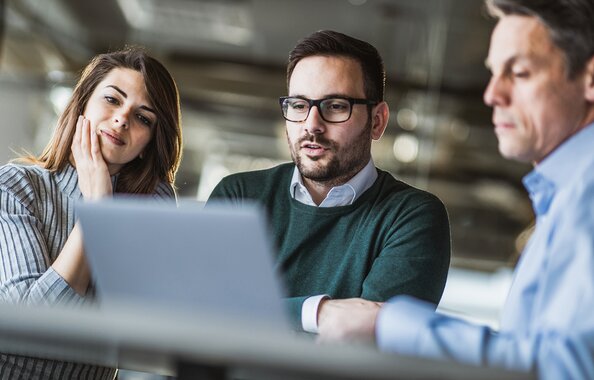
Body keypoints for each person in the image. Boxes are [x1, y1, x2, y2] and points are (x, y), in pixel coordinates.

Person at [315, 0, 594, 378]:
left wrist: (391, 325)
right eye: (494, 73)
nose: (492, 94)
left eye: (520, 72)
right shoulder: (564, 198)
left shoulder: (586, 197)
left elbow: (567, 369)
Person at [207, 30, 451, 333]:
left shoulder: (410, 217)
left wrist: (252, 312)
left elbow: (373, 341)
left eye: (335, 106)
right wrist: (320, 313)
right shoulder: (239, 196)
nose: (312, 125)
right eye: (298, 105)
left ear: (377, 121)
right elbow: (203, 312)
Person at [0, 47, 183, 379]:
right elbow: (30, 325)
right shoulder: (16, 186)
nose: (122, 118)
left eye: (143, 117)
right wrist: (98, 208)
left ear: (149, 143)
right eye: (112, 99)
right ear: (82, 102)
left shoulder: (153, 206)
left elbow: (136, 334)